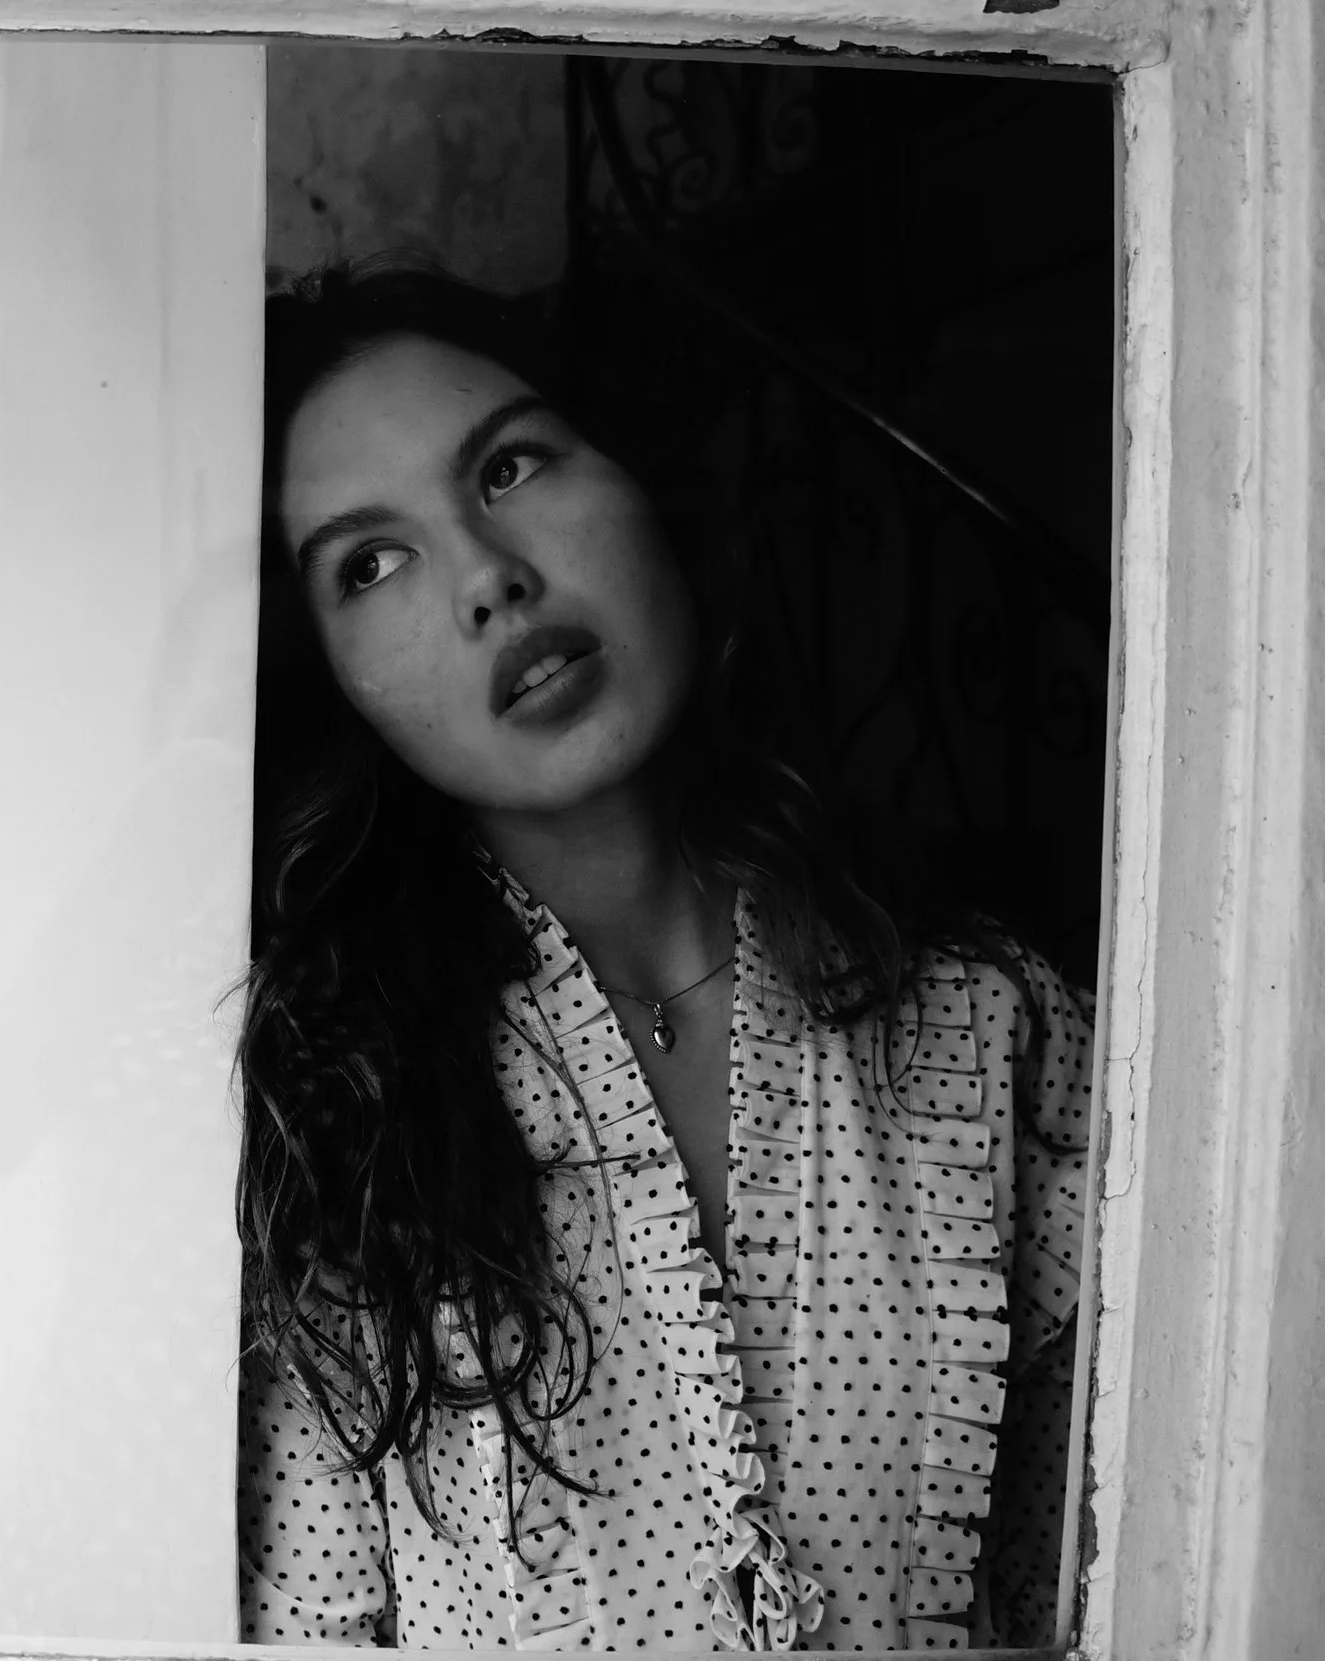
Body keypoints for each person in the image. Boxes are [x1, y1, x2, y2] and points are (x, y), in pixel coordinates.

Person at [234, 263, 1093, 1652]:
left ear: (642, 484)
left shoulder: (986, 1025)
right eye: (370, 562)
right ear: (322, 678)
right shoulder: (330, 1120)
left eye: (509, 466)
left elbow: (1102, 1581)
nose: (491, 579)